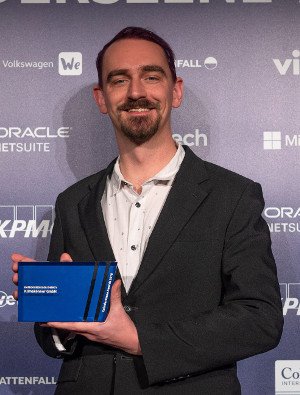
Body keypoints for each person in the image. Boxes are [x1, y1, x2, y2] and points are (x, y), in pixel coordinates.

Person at [12, 26, 283, 394]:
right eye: (119, 80)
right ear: (102, 98)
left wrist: (139, 338)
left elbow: (259, 318)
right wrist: (56, 316)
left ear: (176, 91)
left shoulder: (232, 195)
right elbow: (54, 341)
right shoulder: (73, 201)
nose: (136, 91)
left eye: (151, 77)